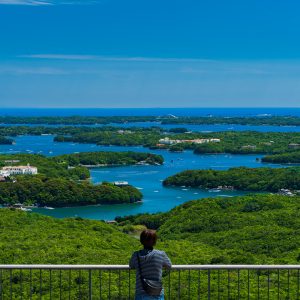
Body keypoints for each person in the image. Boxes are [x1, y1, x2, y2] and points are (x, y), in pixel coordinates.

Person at [129, 229, 172, 300]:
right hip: (157, 292)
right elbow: (169, 265)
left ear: (141, 241)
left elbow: (131, 265)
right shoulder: (161, 254)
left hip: (141, 293)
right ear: (154, 241)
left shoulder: (136, 255)